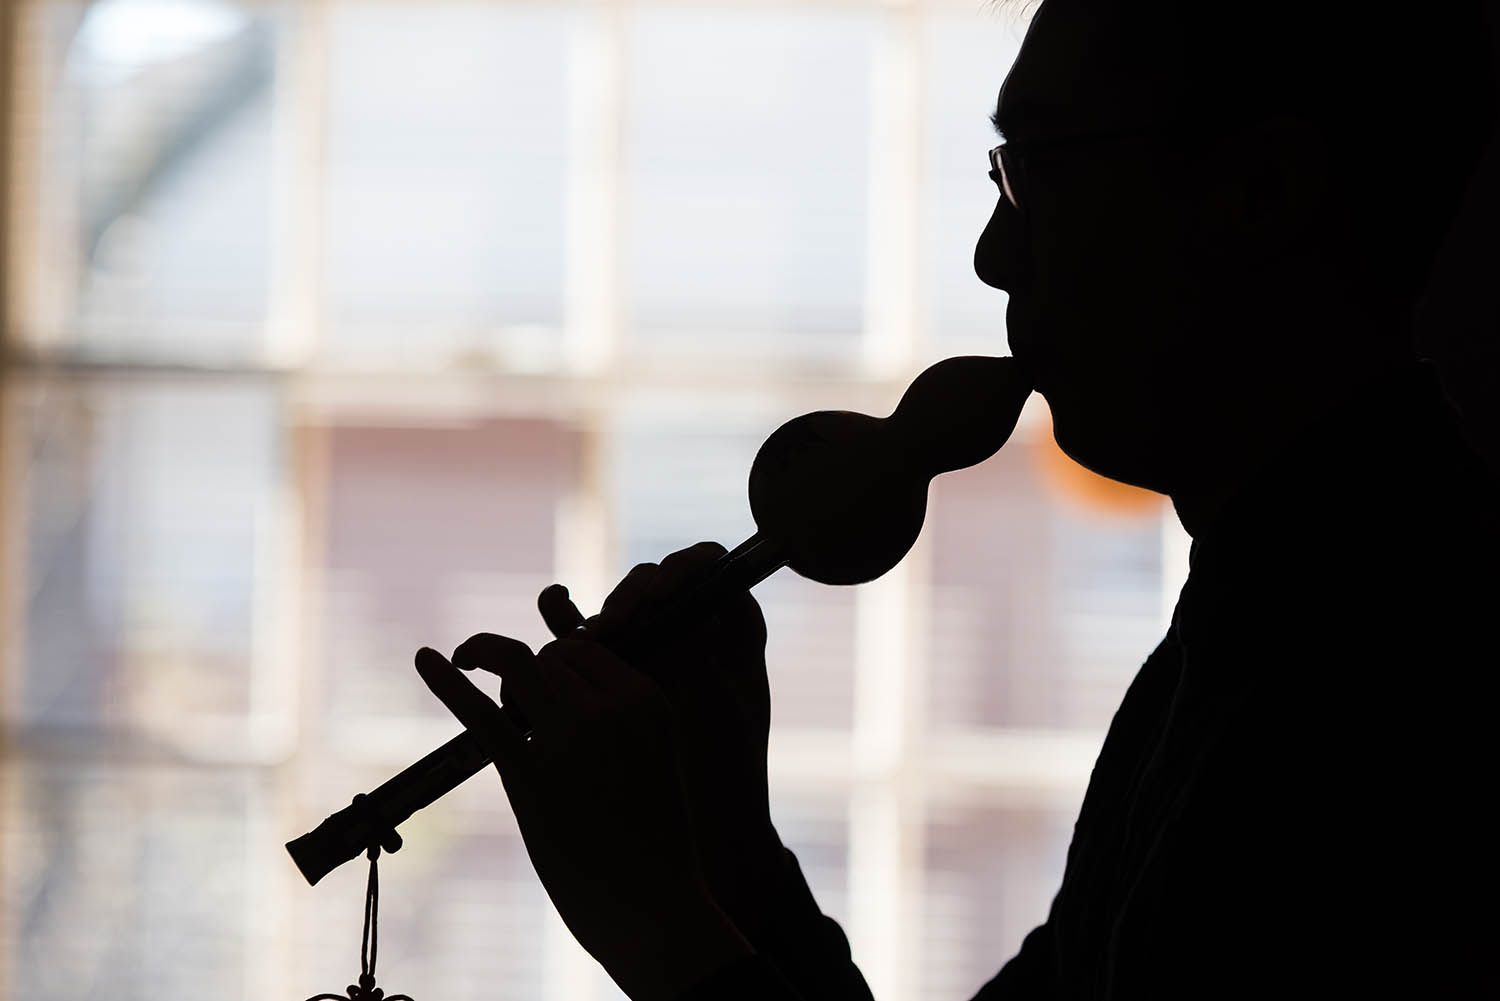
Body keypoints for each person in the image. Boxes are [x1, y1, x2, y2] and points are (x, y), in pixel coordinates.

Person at [413, 2, 1500, 998]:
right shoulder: (1249, 629)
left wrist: (657, 923)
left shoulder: (1400, 672)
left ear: (1260, 193)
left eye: (1037, 173)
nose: (994, 255)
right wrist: (719, 834)